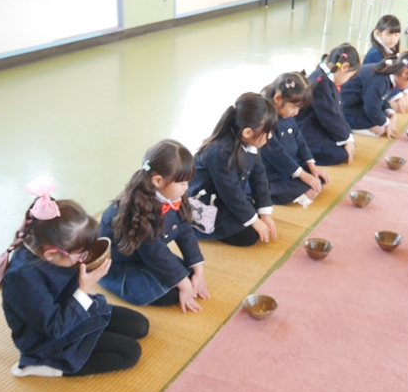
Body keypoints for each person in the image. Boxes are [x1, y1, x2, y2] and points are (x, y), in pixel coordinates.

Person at [0, 177, 149, 377]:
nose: (84, 256)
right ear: (51, 254)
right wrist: (84, 289)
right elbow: (55, 327)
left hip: (72, 310)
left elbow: (70, 279)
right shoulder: (22, 277)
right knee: (130, 353)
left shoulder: (54, 248)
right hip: (49, 337)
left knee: (140, 326)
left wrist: (88, 266)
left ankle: (90, 334)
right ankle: (44, 366)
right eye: (80, 254)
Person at [99, 140, 208, 313]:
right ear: (158, 181)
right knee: (174, 293)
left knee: (187, 274)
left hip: (147, 255)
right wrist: (185, 285)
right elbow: (155, 253)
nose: (186, 188)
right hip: (123, 266)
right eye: (182, 183)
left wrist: (198, 270)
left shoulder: (172, 196)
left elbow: (185, 231)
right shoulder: (137, 210)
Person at [188, 93, 278, 247]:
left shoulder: (250, 143)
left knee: (255, 215)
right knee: (250, 236)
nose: (270, 136)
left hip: (225, 196)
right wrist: (253, 220)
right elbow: (230, 192)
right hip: (206, 201)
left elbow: (259, 177)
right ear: (247, 132)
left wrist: (264, 213)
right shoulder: (219, 151)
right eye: (267, 132)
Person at [260, 72, 330, 208]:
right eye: (294, 107)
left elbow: (299, 139)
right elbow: (275, 154)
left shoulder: (286, 115)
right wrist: (302, 175)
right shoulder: (265, 119)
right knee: (311, 189)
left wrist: (312, 167)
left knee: (319, 179)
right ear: (277, 98)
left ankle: (300, 188)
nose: (296, 113)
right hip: (270, 171)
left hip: (290, 165)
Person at [296, 43, 361, 166]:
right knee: (340, 153)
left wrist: (347, 138)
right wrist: (346, 139)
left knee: (347, 143)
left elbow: (336, 113)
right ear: (344, 67)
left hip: (314, 124)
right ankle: (299, 155)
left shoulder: (323, 75)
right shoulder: (321, 83)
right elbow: (330, 117)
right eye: (350, 76)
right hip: (305, 129)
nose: (348, 79)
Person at [341, 51, 408, 137]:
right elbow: (372, 109)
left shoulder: (388, 73)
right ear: (405, 73)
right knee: (380, 129)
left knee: (384, 117)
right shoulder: (380, 81)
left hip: (360, 103)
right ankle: (345, 125)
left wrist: (390, 113)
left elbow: (381, 98)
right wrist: (386, 122)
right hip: (346, 109)